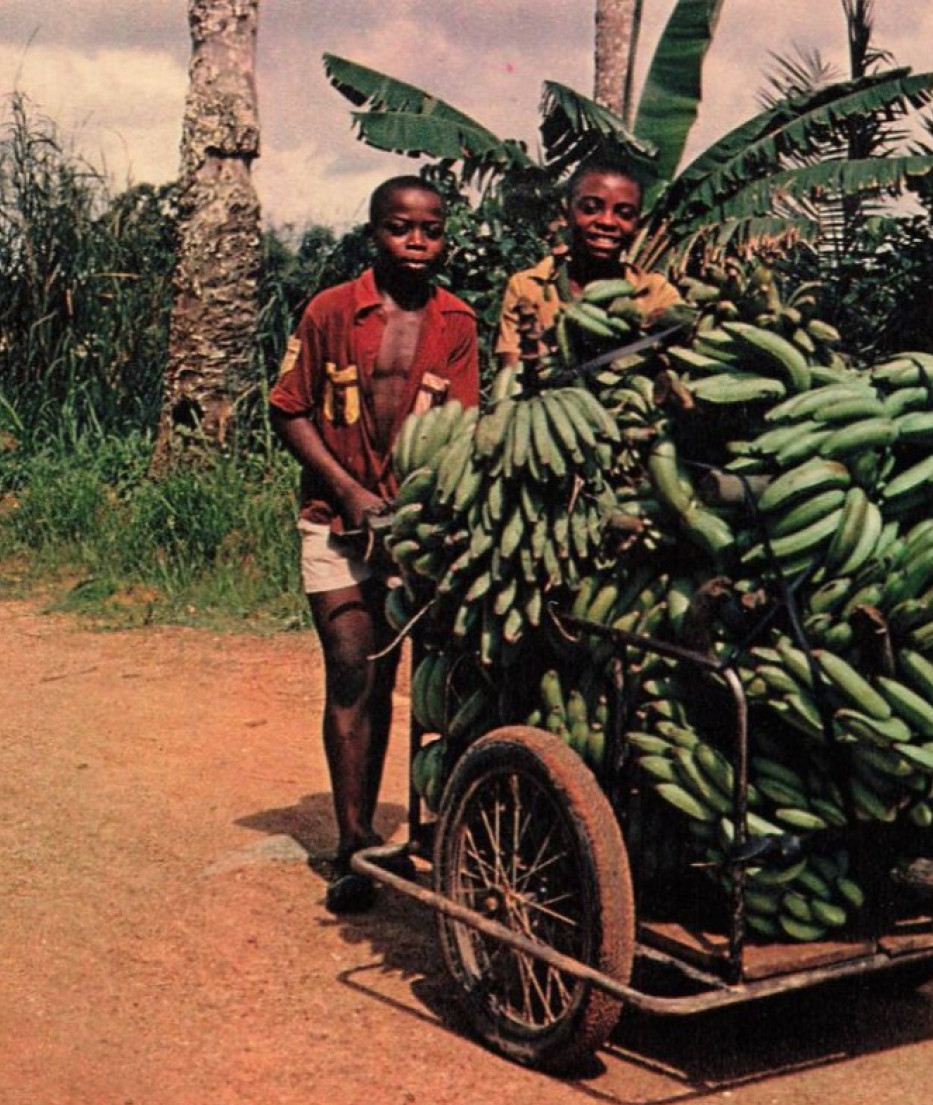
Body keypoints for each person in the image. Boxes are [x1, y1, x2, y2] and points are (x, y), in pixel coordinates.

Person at [269, 175, 479, 914]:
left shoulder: (457, 320)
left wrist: (420, 512)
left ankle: (424, 833)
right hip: (336, 517)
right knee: (354, 672)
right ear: (373, 233)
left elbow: (462, 425)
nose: (416, 242)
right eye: (400, 228)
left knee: (414, 681)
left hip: (417, 529)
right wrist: (352, 492)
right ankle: (353, 840)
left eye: (430, 229)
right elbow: (290, 409)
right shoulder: (331, 309)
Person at [493, 158, 683, 370]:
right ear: (566, 213)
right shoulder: (528, 286)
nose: (607, 222)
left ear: (638, 224)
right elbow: (511, 374)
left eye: (625, 214)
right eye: (591, 208)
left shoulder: (654, 292)